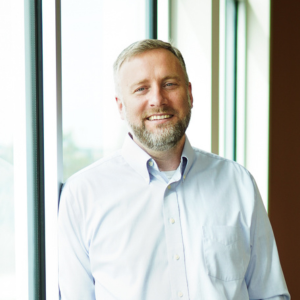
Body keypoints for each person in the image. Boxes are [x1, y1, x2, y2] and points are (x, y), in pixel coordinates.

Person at [58, 39, 290, 300]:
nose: (157, 99)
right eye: (141, 89)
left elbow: (270, 294)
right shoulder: (83, 194)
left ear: (189, 94)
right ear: (120, 106)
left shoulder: (238, 183)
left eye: (169, 84)